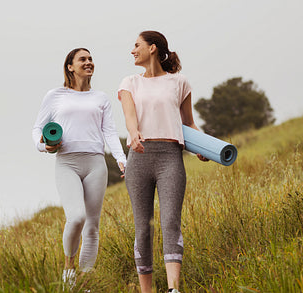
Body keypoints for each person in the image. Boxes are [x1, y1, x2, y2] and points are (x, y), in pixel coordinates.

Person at [117, 31, 208, 293]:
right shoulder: (130, 82)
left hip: (170, 157)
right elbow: (129, 115)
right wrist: (133, 134)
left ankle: (173, 288)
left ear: (153, 48)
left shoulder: (179, 82)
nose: (132, 51)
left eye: (137, 45)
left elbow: (188, 123)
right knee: (143, 228)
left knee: (170, 221)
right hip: (140, 157)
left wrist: (202, 147)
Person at [32, 48, 127, 288]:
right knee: (76, 217)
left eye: (91, 59)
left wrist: (121, 158)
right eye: (82, 59)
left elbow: (110, 131)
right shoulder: (55, 95)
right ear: (70, 67)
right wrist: (44, 146)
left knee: (92, 228)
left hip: (96, 163)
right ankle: (69, 269)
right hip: (67, 162)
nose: (88, 62)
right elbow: (37, 129)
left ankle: (85, 284)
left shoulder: (101, 98)